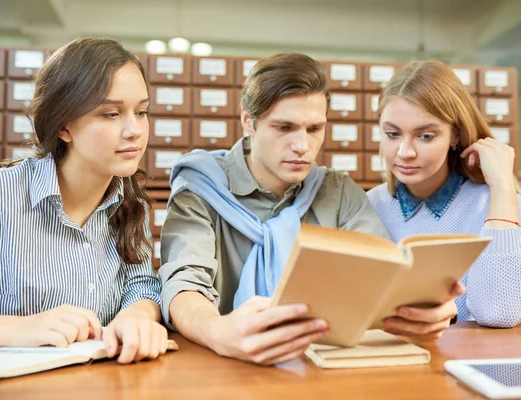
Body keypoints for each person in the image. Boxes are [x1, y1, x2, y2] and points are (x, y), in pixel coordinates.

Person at [159, 53, 464, 366]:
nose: (302, 146)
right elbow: (184, 285)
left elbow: (381, 276)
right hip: (220, 367)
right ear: (248, 121)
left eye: (314, 129)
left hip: (318, 368)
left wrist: (419, 312)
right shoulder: (202, 187)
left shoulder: (339, 192)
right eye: (284, 127)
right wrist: (218, 331)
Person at [0, 38, 169, 364]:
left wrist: (138, 316)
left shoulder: (130, 203)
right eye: (111, 114)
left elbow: (141, 284)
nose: (134, 130)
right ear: (63, 127)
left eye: (142, 112)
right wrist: (20, 330)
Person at [367, 60, 521, 329]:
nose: (405, 152)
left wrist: (503, 188)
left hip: (473, 366)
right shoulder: (368, 206)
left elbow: (500, 312)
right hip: (395, 364)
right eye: (392, 134)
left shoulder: (498, 204)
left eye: (425, 136)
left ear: (455, 136)